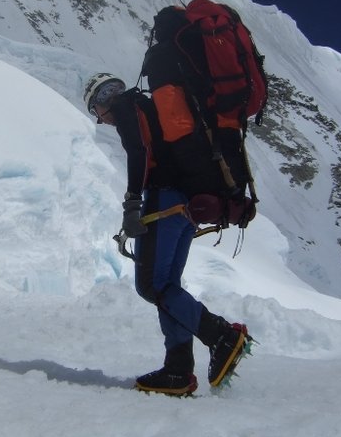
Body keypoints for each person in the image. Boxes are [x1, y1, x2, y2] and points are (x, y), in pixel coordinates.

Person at [83, 68, 253, 396]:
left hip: (163, 199)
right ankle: (177, 369)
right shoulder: (149, 104)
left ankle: (221, 336)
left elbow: (139, 152)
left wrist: (132, 202)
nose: (102, 119)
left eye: (97, 112)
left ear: (103, 100)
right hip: (185, 205)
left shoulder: (125, 106)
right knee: (166, 286)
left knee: (151, 284)